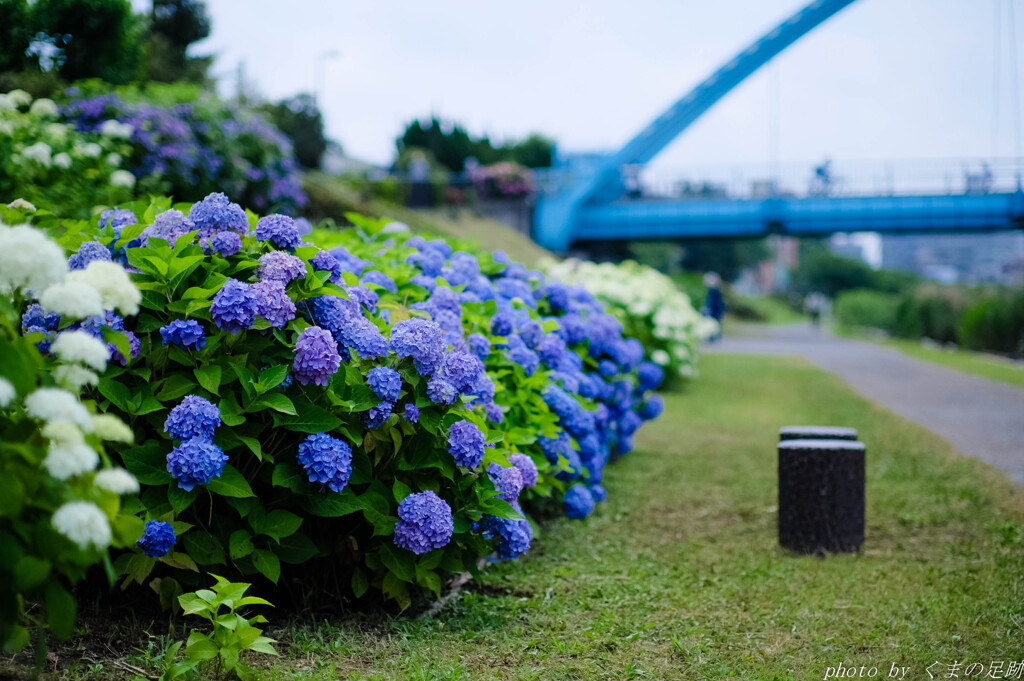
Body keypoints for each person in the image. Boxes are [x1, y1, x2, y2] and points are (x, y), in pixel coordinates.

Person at [703, 272, 725, 342]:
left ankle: (714, 336)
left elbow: (716, 303)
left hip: (715, 311)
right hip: (714, 311)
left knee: (715, 323)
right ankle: (713, 336)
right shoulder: (713, 291)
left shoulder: (715, 292)